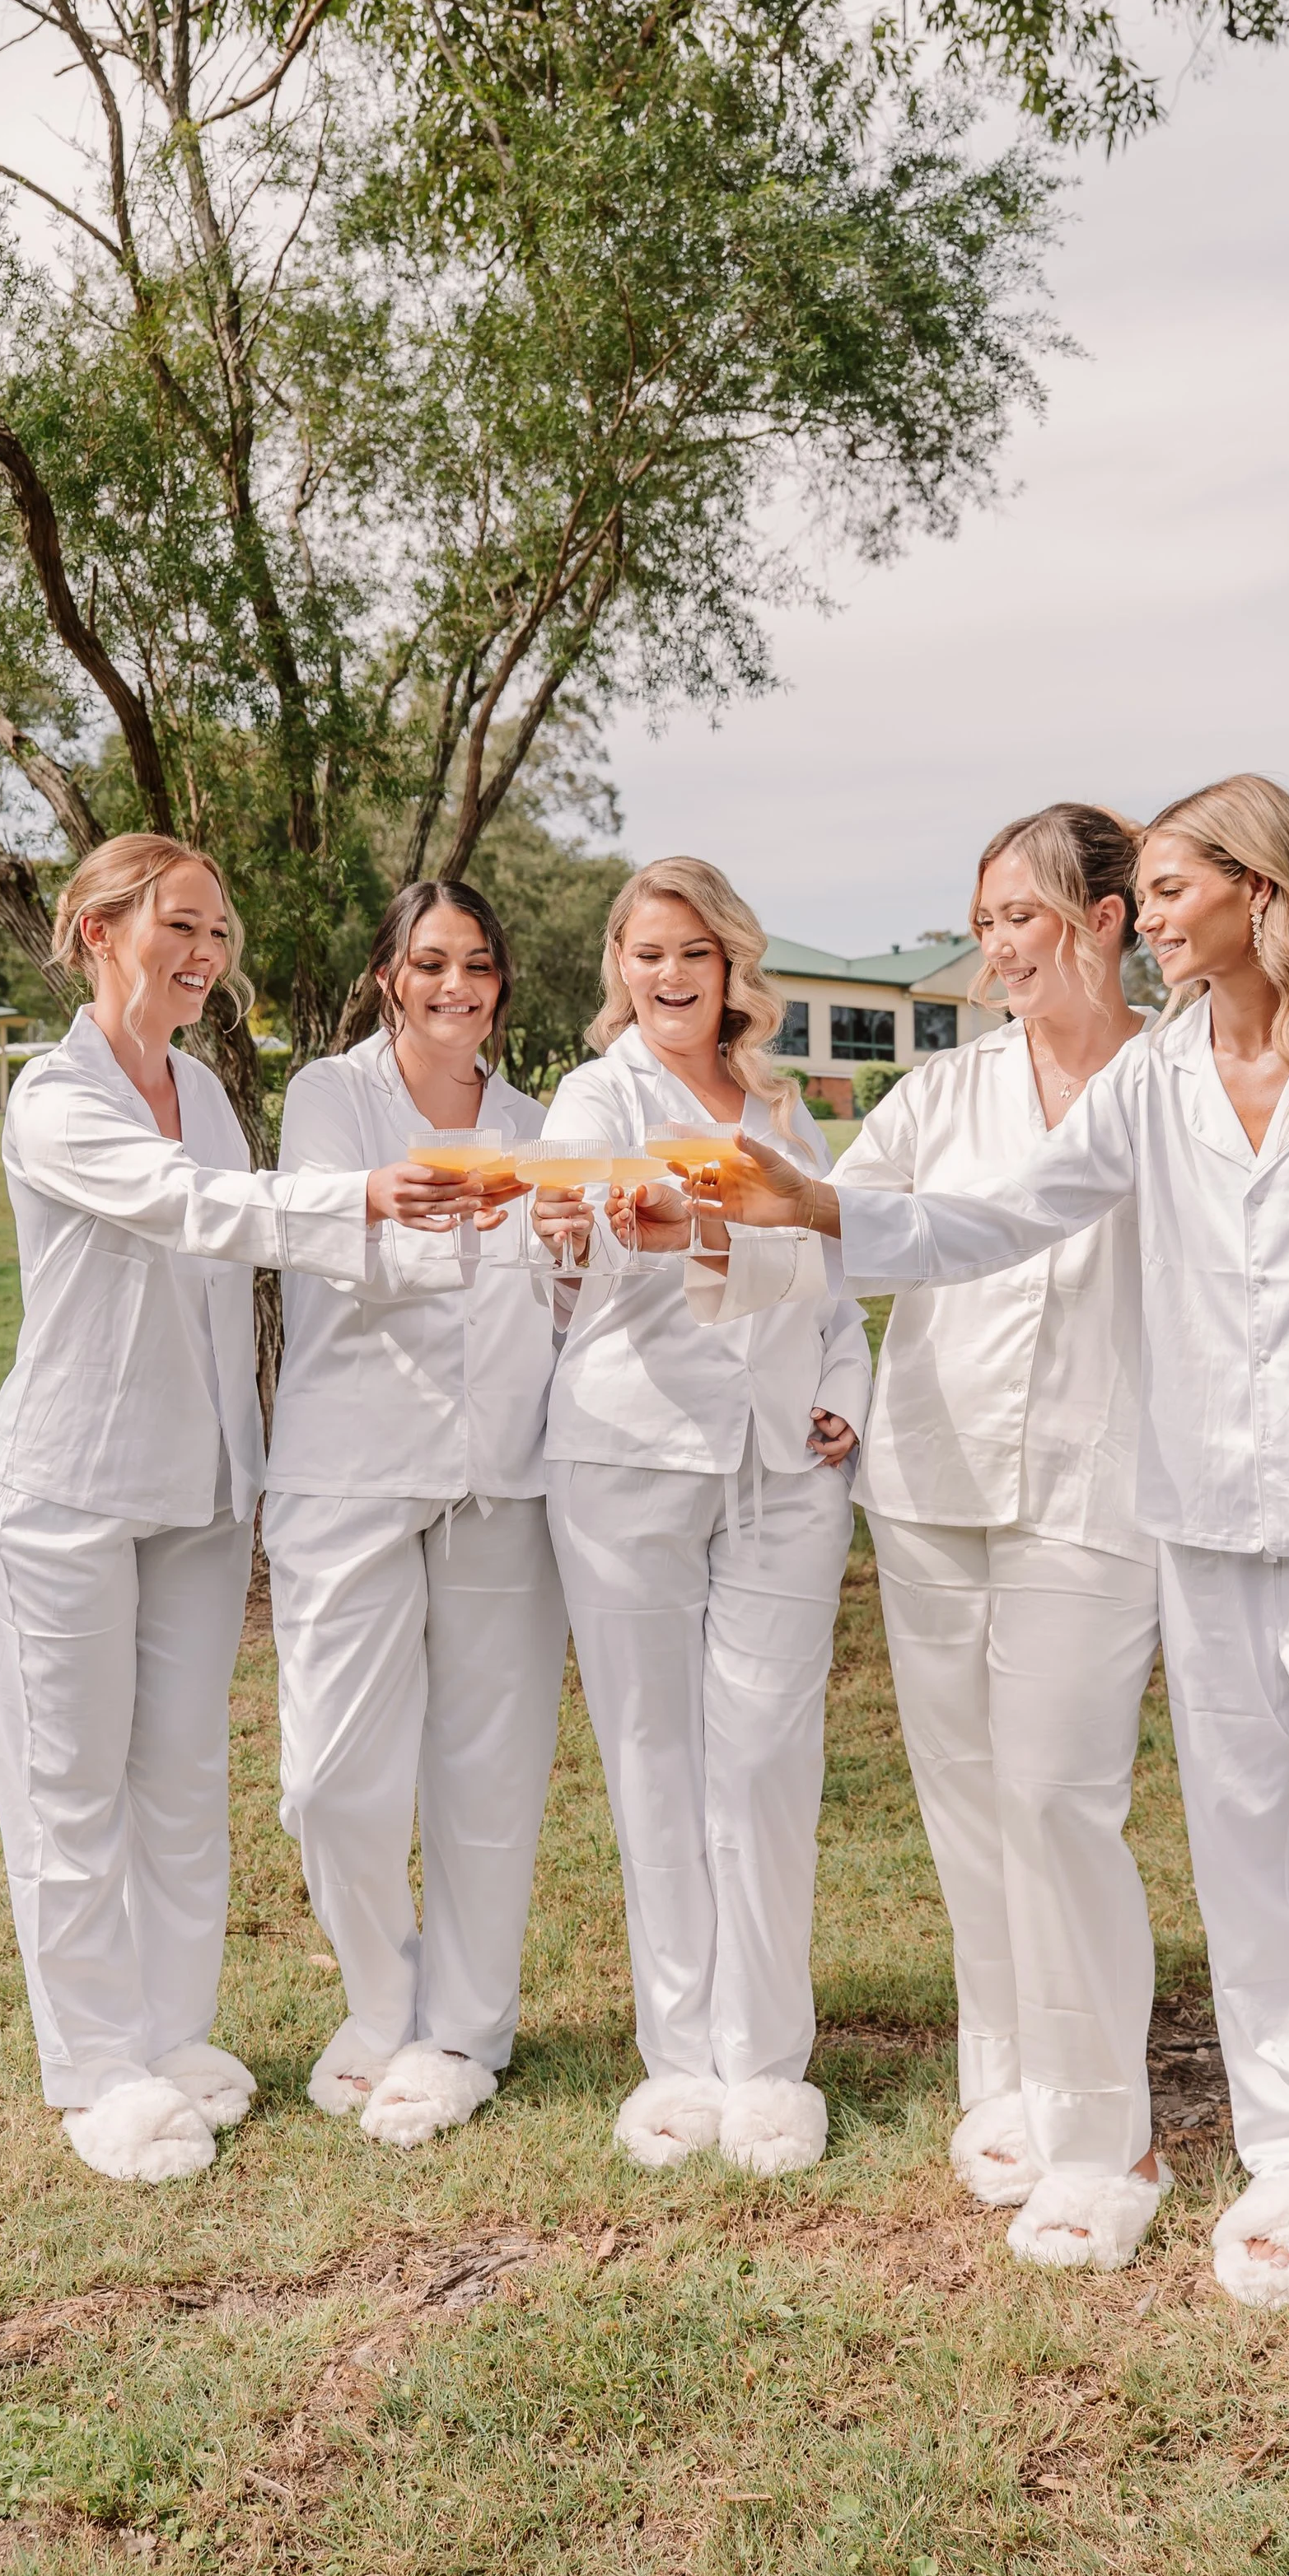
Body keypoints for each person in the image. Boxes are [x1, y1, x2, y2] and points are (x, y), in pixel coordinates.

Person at [701, 778, 1289, 2357]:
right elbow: (1007, 1216)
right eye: (1133, 891)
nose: (1140, 916)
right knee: (1242, 1857)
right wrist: (818, 1204)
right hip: (1200, 1521)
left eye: (1165, 886)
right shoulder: (1161, 1082)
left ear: (1255, 885)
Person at [0, 836, 460, 2186]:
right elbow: (195, 1213)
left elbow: (227, 1237)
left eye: (218, 930)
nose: (205, 952)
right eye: (180, 925)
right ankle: (95, 2067)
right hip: (65, 1491)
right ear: (95, 933)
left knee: (181, 1784)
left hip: (197, 1493)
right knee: (69, 1788)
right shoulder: (55, 1099)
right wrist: (356, 1193)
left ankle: (175, 2037)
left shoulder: (200, 1085)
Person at [837, 806, 1165, 2272]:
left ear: (1104, 916)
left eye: (1018, 917)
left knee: (1057, 1796)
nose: (996, 950)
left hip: (1101, 1486)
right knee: (966, 1796)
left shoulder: (1179, 1082)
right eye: (982, 925)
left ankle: (1109, 2127)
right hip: (928, 1474)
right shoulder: (944, 1092)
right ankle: (1009, 2082)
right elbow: (838, 1222)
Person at [532, 856, 871, 2177]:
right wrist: (629, 1224)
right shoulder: (593, 1099)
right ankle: (681, 2060)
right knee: (655, 1757)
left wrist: (848, 1390)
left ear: (731, 966)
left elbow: (838, 1283)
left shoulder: (784, 1104)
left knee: (767, 1759)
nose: (667, 976)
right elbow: (576, 1251)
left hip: (788, 1464)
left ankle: (768, 2063)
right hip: (630, 1458)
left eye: (691, 952)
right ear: (617, 966)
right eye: (643, 952)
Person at [264, 881, 566, 2149]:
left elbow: (564, 1295)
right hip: (351, 1469)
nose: (457, 985)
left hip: (506, 1470)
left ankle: (466, 2030)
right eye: (430, 962)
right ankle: (384, 1996)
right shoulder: (331, 1101)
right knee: (331, 1777)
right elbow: (335, 1247)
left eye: (478, 963)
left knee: (487, 1772)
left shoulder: (542, 1121)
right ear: (389, 973)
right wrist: (466, 1214)